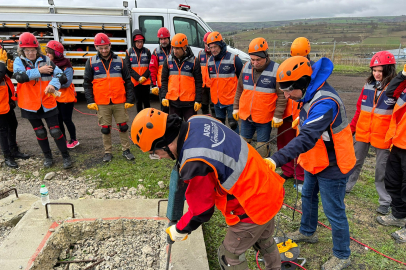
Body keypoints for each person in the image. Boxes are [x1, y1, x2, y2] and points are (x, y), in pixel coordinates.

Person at [131, 108, 285, 270]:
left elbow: (201, 211)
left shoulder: (195, 163)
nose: (160, 158)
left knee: (229, 257)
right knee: (265, 241)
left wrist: (180, 229)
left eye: (156, 153)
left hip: (252, 205)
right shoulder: (197, 120)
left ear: (165, 144)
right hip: (269, 187)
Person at [266, 56, 356, 270]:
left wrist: (275, 159)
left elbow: (306, 138)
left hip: (333, 164)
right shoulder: (309, 91)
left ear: (303, 83)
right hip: (315, 159)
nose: (286, 95)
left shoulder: (325, 102)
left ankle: (343, 255)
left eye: (289, 90)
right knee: (307, 195)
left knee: (334, 210)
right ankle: (307, 231)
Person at [346, 51, 397, 215]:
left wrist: (393, 137)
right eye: (374, 70)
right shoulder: (367, 86)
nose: (376, 74)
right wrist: (350, 130)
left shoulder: (396, 88)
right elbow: (359, 111)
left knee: (382, 169)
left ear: (389, 70)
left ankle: (385, 201)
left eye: (380, 71)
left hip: (384, 137)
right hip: (363, 133)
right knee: (354, 161)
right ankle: (346, 186)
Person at [14, 32, 72, 169]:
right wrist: (39, 71)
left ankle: (66, 156)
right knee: (40, 132)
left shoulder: (47, 60)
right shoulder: (19, 61)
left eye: (33, 50)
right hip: (29, 104)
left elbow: (61, 76)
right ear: (22, 50)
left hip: (47, 102)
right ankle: (48, 157)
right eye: (27, 50)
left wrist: (54, 84)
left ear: (37, 49)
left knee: (56, 131)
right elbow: (20, 77)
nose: (30, 53)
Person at [84, 33, 135, 162]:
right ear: (96, 47)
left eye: (106, 47)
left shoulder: (120, 60)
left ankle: (126, 150)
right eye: (100, 48)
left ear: (110, 45)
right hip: (102, 102)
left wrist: (130, 99)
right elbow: (86, 83)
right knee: (105, 129)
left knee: (123, 126)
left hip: (119, 100)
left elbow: (128, 81)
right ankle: (108, 152)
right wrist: (90, 100)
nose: (104, 50)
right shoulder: (91, 62)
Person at [233, 37, 286, 158]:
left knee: (262, 149)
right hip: (246, 116)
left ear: (266, 56)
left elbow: (282, 95)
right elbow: (239, 89)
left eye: (258, 60)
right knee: (244, 146)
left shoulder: (276, 70)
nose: (255, 63)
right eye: (252, 60)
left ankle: (264, 170)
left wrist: (278, 115)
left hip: (264, 118)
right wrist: (236, 107)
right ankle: (247, 169)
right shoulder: (246, 66)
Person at [377, 64, 406, 243]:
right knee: (393, 181)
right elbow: (390, 92)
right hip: (399, 141)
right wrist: (403, 74)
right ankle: (398, 215)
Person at [277, 37, 312, 181]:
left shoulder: (311, 71)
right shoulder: (287, 66)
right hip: (286, 113)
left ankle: (301, 174)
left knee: (301, 144)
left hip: (301, 113)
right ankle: (287, 170)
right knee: (284, 141)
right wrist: (278, 113)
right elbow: (281, 91)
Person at [160, 33, 202, 121]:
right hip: (173, 102)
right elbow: (164, 80)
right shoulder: (168, 60)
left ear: (185, 48)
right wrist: (164, 96)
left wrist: (198, 100)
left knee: (190, 129)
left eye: (178, 48)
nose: (175, 51)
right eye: (174, 48)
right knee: (174, 130)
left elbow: (198, 82)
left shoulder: (194, 61)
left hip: (189, 104)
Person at [45, 40, 79, 149]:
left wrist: (53, 85)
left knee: (66, 119)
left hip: (66, 99)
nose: (47, 55)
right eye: (47, 52)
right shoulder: (48, 65)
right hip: (55, 98)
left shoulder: (66, 66)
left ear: (56, 54)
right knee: (58, 120)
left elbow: (67, 82)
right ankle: (63, 140)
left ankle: (74, 140)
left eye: (49, 52)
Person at [206, 31, 242, 133]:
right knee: (219, 126)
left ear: (221, 45)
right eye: (211, 47)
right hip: (217, 101)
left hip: (231, 100)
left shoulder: (234, 59)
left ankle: (236, 145)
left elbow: (241, 80)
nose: (213, 50)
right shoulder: (209, 61)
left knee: (233, 124)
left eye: (215, 47)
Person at [0, 47, 29, 168]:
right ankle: (7, 156)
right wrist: (1, 63)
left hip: (6, 103)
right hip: (0, 106)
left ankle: (14, 150)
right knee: (3, 131)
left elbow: (5, 76)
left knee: (13, 125)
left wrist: (9, 69)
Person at [125, 29, 151, 113]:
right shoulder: (129, 52)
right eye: (137, 42)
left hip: (146, 81)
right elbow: (128, 67)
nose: (139, 44)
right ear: (134, 41)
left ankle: (148, 119)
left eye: (141, 42)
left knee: (147, 102)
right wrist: (138, 78)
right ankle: (139, 119)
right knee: (138, 102)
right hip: (135, 82)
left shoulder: (147, 51)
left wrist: (144, 77)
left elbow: (151, 66)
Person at [150, 27, 172, 114]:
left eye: (165, 39)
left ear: (169, 38)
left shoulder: (175, 50)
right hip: (162, 86)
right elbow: (152, 69)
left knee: (174, 109)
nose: (163, 41)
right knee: (164, 110)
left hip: (174, 85)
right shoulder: (156, 52)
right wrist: (153, 84)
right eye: (161, 39)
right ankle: (166, 126)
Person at [198, 32, 212, 115]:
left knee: (214, 108)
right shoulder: (200, 54)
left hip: (213, 86)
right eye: (206, 44)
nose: (207, 46)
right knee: (204, 108)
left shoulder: (216, 54)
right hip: (203, 86)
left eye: (209, 44)